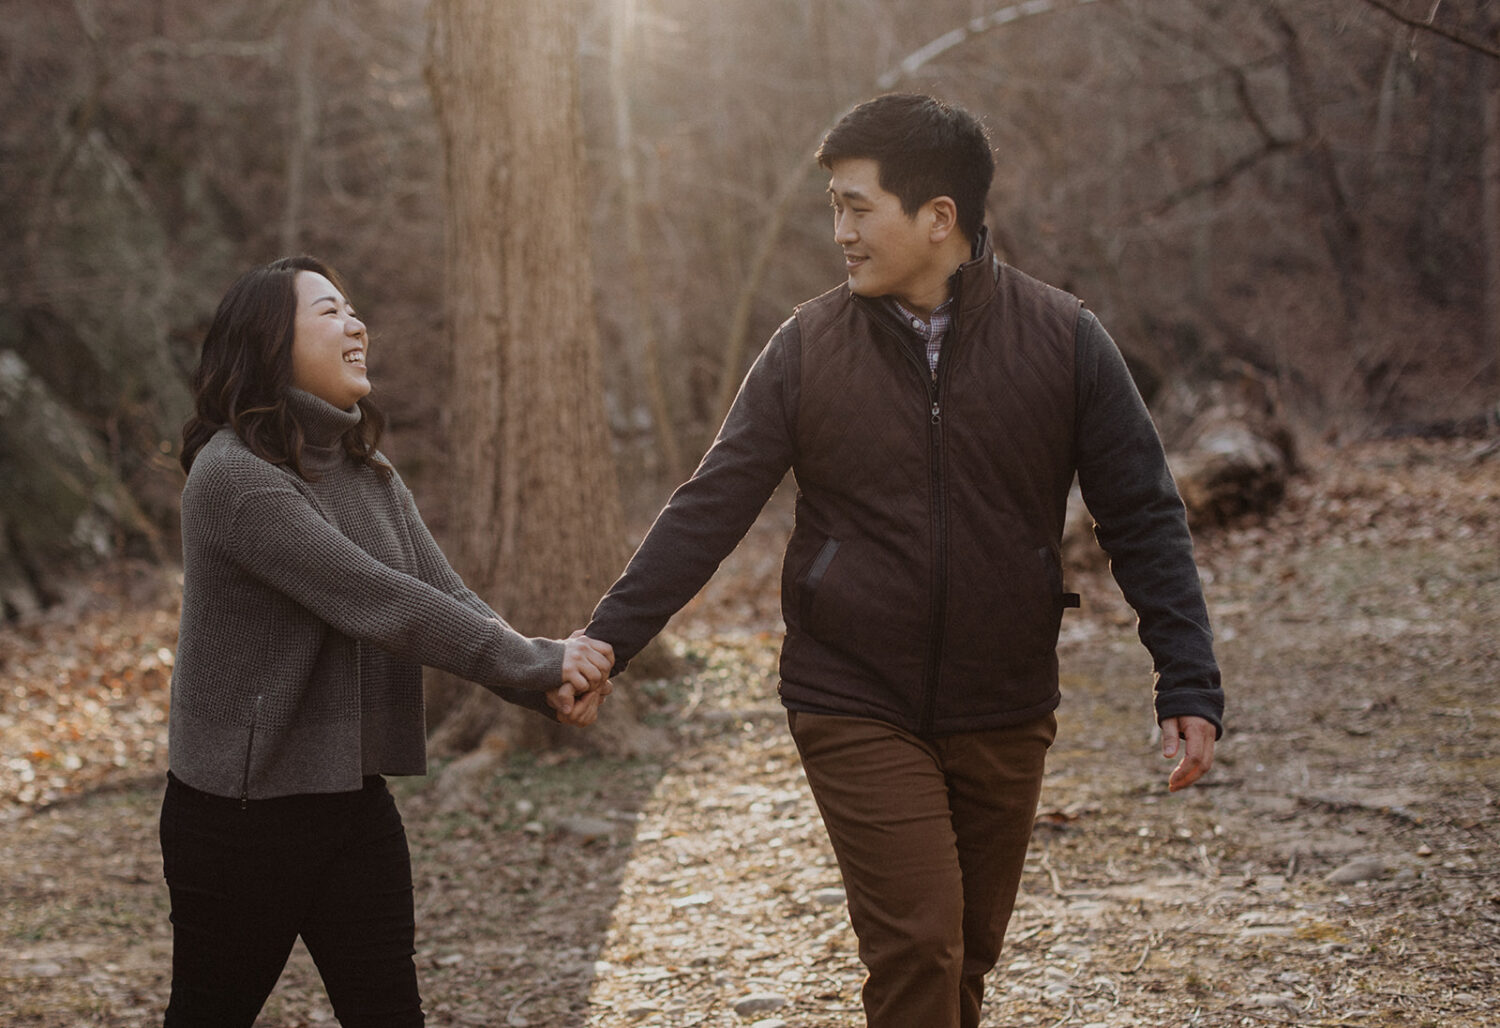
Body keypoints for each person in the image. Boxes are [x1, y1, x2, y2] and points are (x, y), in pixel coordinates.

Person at [582, 94, 1223, 1028]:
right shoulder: (806, 349)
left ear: (938, 217)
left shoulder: (1065, 339)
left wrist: (1188, 681)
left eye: (856, 206)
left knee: (963, 956)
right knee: (921, 944)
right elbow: (710, 507)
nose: (838, 231)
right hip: (852, 694)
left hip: (1005, 700)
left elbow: (1145, 517)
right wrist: (609, 642)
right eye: (833, 207)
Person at [160, 255, 613, 1027]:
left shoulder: (371, 475)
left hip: (351, 803)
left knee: (389, 1012)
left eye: (354, 310)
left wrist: (540, 681)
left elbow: (447, 598)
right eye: (331, 311)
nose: (358, 325)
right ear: (271, 342)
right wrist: (540, 659)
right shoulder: (233, 476)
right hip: (241, 819)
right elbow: (380, 602)